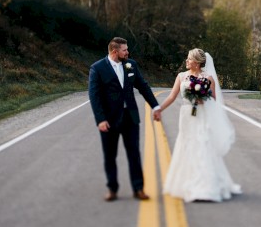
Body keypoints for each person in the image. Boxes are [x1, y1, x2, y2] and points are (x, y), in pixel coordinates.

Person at [157, 48, 241, 202]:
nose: (187, 61)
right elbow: (171, 96)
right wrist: (159, 109)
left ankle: (205, 186)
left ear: (196, 63)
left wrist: (203, 98)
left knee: (202, 144)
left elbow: (214, 100)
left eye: (189, 59)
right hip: (187, 115)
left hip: (202, 115)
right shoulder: (181, 76)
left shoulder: (208, 78)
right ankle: (185, 182)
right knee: (186, 144)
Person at [88, 37, 161, 202]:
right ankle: (112, 189)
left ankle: (138, 189)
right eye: (124, 50)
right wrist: (100, 119)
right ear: (115, 51)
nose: (127, 52)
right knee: (110, 155)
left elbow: (143, 86)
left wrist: (155, 106)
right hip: (109, 120)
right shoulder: (97, 68)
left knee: (134, 153)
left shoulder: (131, 65)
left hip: (131, 118)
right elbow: (94, 96)